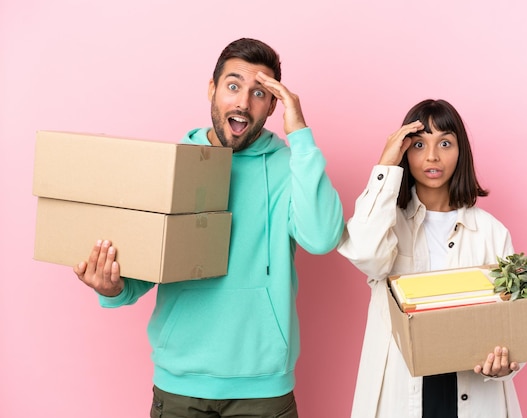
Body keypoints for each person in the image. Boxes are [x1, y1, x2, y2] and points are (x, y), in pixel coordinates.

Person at [73, 38, 344, 418]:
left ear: (272, 105)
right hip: (179, 384)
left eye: (260, 93)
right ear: (212, 89)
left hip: (264, 388)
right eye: (233, 86)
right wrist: (114, 287)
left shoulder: (290, 166)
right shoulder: (172, 165)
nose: (243, 103)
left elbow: (322, 238)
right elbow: (146, 269)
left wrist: (300, 135)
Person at [337, 99, 523, 418]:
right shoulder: (386, 223)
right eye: (419, 144)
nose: (432, 156)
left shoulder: (492, 232)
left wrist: (503, 366)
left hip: (473, 393)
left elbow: (514, 325)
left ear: (460, 151)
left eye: (445, 143)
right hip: (400, 393)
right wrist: (385, 166)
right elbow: (366, 254)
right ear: (404, 152)